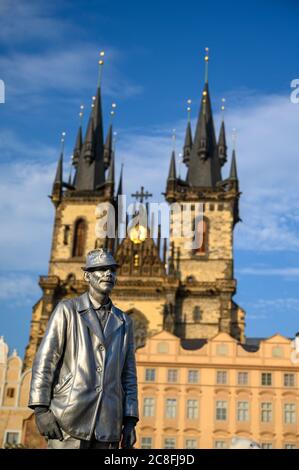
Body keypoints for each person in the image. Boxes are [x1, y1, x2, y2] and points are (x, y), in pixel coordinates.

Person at [28, 248, 139, 449]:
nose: (108, 274)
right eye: (101, 269)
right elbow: (45, 361)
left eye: (112, 270)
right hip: (68, 418)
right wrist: (41, 409)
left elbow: (128, 376)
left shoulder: (124, 321)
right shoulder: (67, 310)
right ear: (87, 275)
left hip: (108, 425)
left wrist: (130, 420)